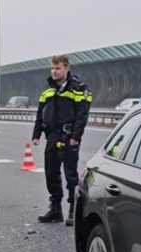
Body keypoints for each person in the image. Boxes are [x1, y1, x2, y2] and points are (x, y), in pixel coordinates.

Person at [32, 55, 92, 226]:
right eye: (52, 68)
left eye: (58, 68)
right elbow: (40, 114)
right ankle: (55, 209)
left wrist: (75, 137)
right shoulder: (49, 89)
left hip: (68, 137)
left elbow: (82, 115)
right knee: (51, 173)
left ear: (67, 68)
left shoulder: (79, 89)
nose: (54, 71)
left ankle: (73, 210)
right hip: (52, 136)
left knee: (70, 175)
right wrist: (36, 134)